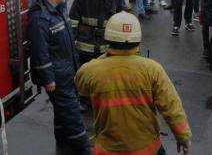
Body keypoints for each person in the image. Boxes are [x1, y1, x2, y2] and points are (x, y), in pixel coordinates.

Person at [75, 11, 192, 155]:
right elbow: (172, 106)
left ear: (108, 37)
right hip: (147, 149)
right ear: (138, 39)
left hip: (108, 149)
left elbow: (80, 86)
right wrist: (183, 137)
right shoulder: (152, 69)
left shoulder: (90, 70)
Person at [28, 0, 91, 154]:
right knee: (72, 114)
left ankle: (63, 143)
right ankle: (84, 149)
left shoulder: (58, 10)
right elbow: (40, 52)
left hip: (66, 71)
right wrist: (48, 79)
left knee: (63, 112)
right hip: (57, 77)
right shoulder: (40, 18)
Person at [70, 0, 123, 66]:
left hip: (106, 47)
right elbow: (73, 19)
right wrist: (71, 43)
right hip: (85, 46)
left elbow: (120, 20)